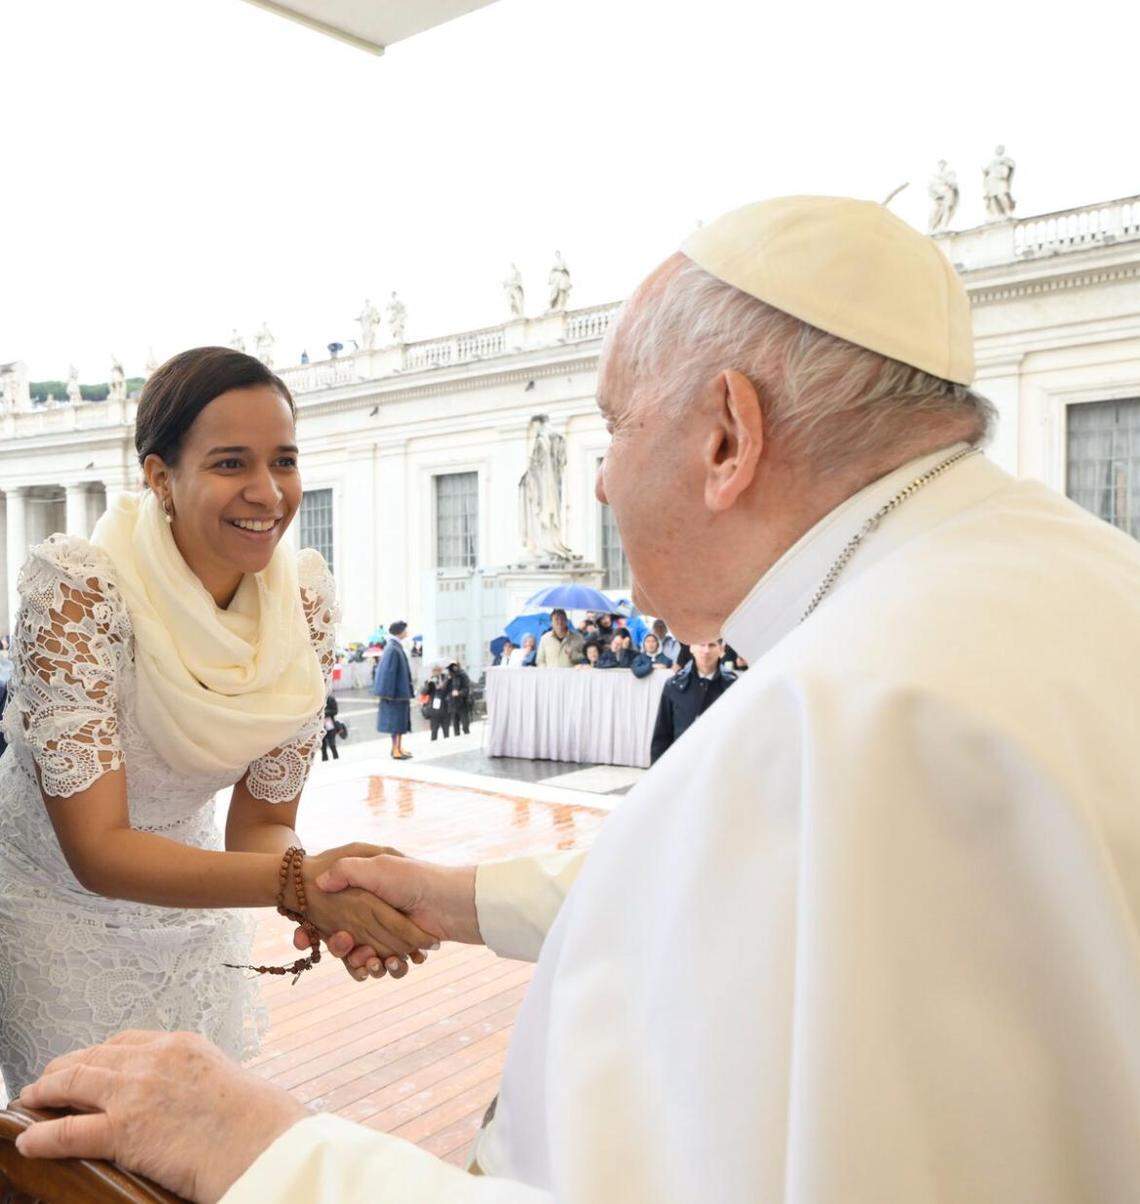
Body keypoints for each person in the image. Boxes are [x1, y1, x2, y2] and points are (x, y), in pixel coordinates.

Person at [21, 196, 1140, 1202]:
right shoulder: (1032, 589)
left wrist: (267, 1147)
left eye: (612, 427)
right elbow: (726, 874)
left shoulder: (847, 712)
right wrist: (450, 895)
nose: (595, 481)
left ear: (726, 436)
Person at [0, 347, 434, 1095]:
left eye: (285, 461)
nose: (268, 493)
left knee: (199, 1133)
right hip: (56, 908)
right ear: (161, 477)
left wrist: (330, 894)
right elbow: (97, 851)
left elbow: (264, 823)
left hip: (201, 894)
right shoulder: (77, 589)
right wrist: (301, 881)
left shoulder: (304, 599)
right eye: (231, 464)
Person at [649, 639, 736, 763]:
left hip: (718, 765)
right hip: (681, 765)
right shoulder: (673, 685)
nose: (706, 650)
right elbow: (662, 735)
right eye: (701, 644)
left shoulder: (733, 685)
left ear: (721, 649)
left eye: (712, 645)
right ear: (691, 647)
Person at [373, 619, 414, 760]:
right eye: (405, 630)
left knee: (400, 723)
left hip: (400, 694)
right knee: (396, 723)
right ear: (401, 631)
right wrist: (386, 694)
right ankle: (395, 749)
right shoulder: (392, 648)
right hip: (395, 695)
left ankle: (398, 748)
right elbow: (387, 672)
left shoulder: (395, 646)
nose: (407, 632)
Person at [420, 667, 451, 742]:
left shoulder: (446, 679)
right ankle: (433, 747)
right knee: (434, 732)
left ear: (441, 671)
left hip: (445, 709)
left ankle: (447, 747)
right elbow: (423, 692)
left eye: (438, 670)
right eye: (434, 671)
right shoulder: (430, 681)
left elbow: (450, 690)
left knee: (446, 733)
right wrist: (428, 684)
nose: (436, 672)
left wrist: (444, 685)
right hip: (434, 711)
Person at [447, 661, 472, 735]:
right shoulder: (449, 677)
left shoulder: (463, 675)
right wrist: (447, 680)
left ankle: (467, 739)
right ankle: (458, 743)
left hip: (462, 703)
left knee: (465, 726)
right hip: (453, 704)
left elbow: (467, 689)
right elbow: (446, 690)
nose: (453, 668)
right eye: (452, 667)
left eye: (455, 666)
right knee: (455, 728)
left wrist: (459, 693)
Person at [320, 693, 339, 761]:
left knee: (332, 743)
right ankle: (325, 759)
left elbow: (335, 711)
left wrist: (325, 713)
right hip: (320, 724)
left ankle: (336, 758)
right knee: (323, 745)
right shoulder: (317, 700)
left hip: (329, 722)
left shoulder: (330, 699)